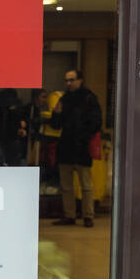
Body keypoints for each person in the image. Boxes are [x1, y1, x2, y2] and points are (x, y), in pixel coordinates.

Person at [52, 68, 102, 226]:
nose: (68, 83)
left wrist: (84, 137)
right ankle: (70, 215)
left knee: (86, 184)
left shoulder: (89, 98)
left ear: (80, 80)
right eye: (66, 80)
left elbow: (96, 122)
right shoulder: (64, 99)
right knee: (66, 185)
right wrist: (56, 114)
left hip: (81, 146)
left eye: (71, 80)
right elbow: (55, 125)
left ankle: (88, 215)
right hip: (66, 145)